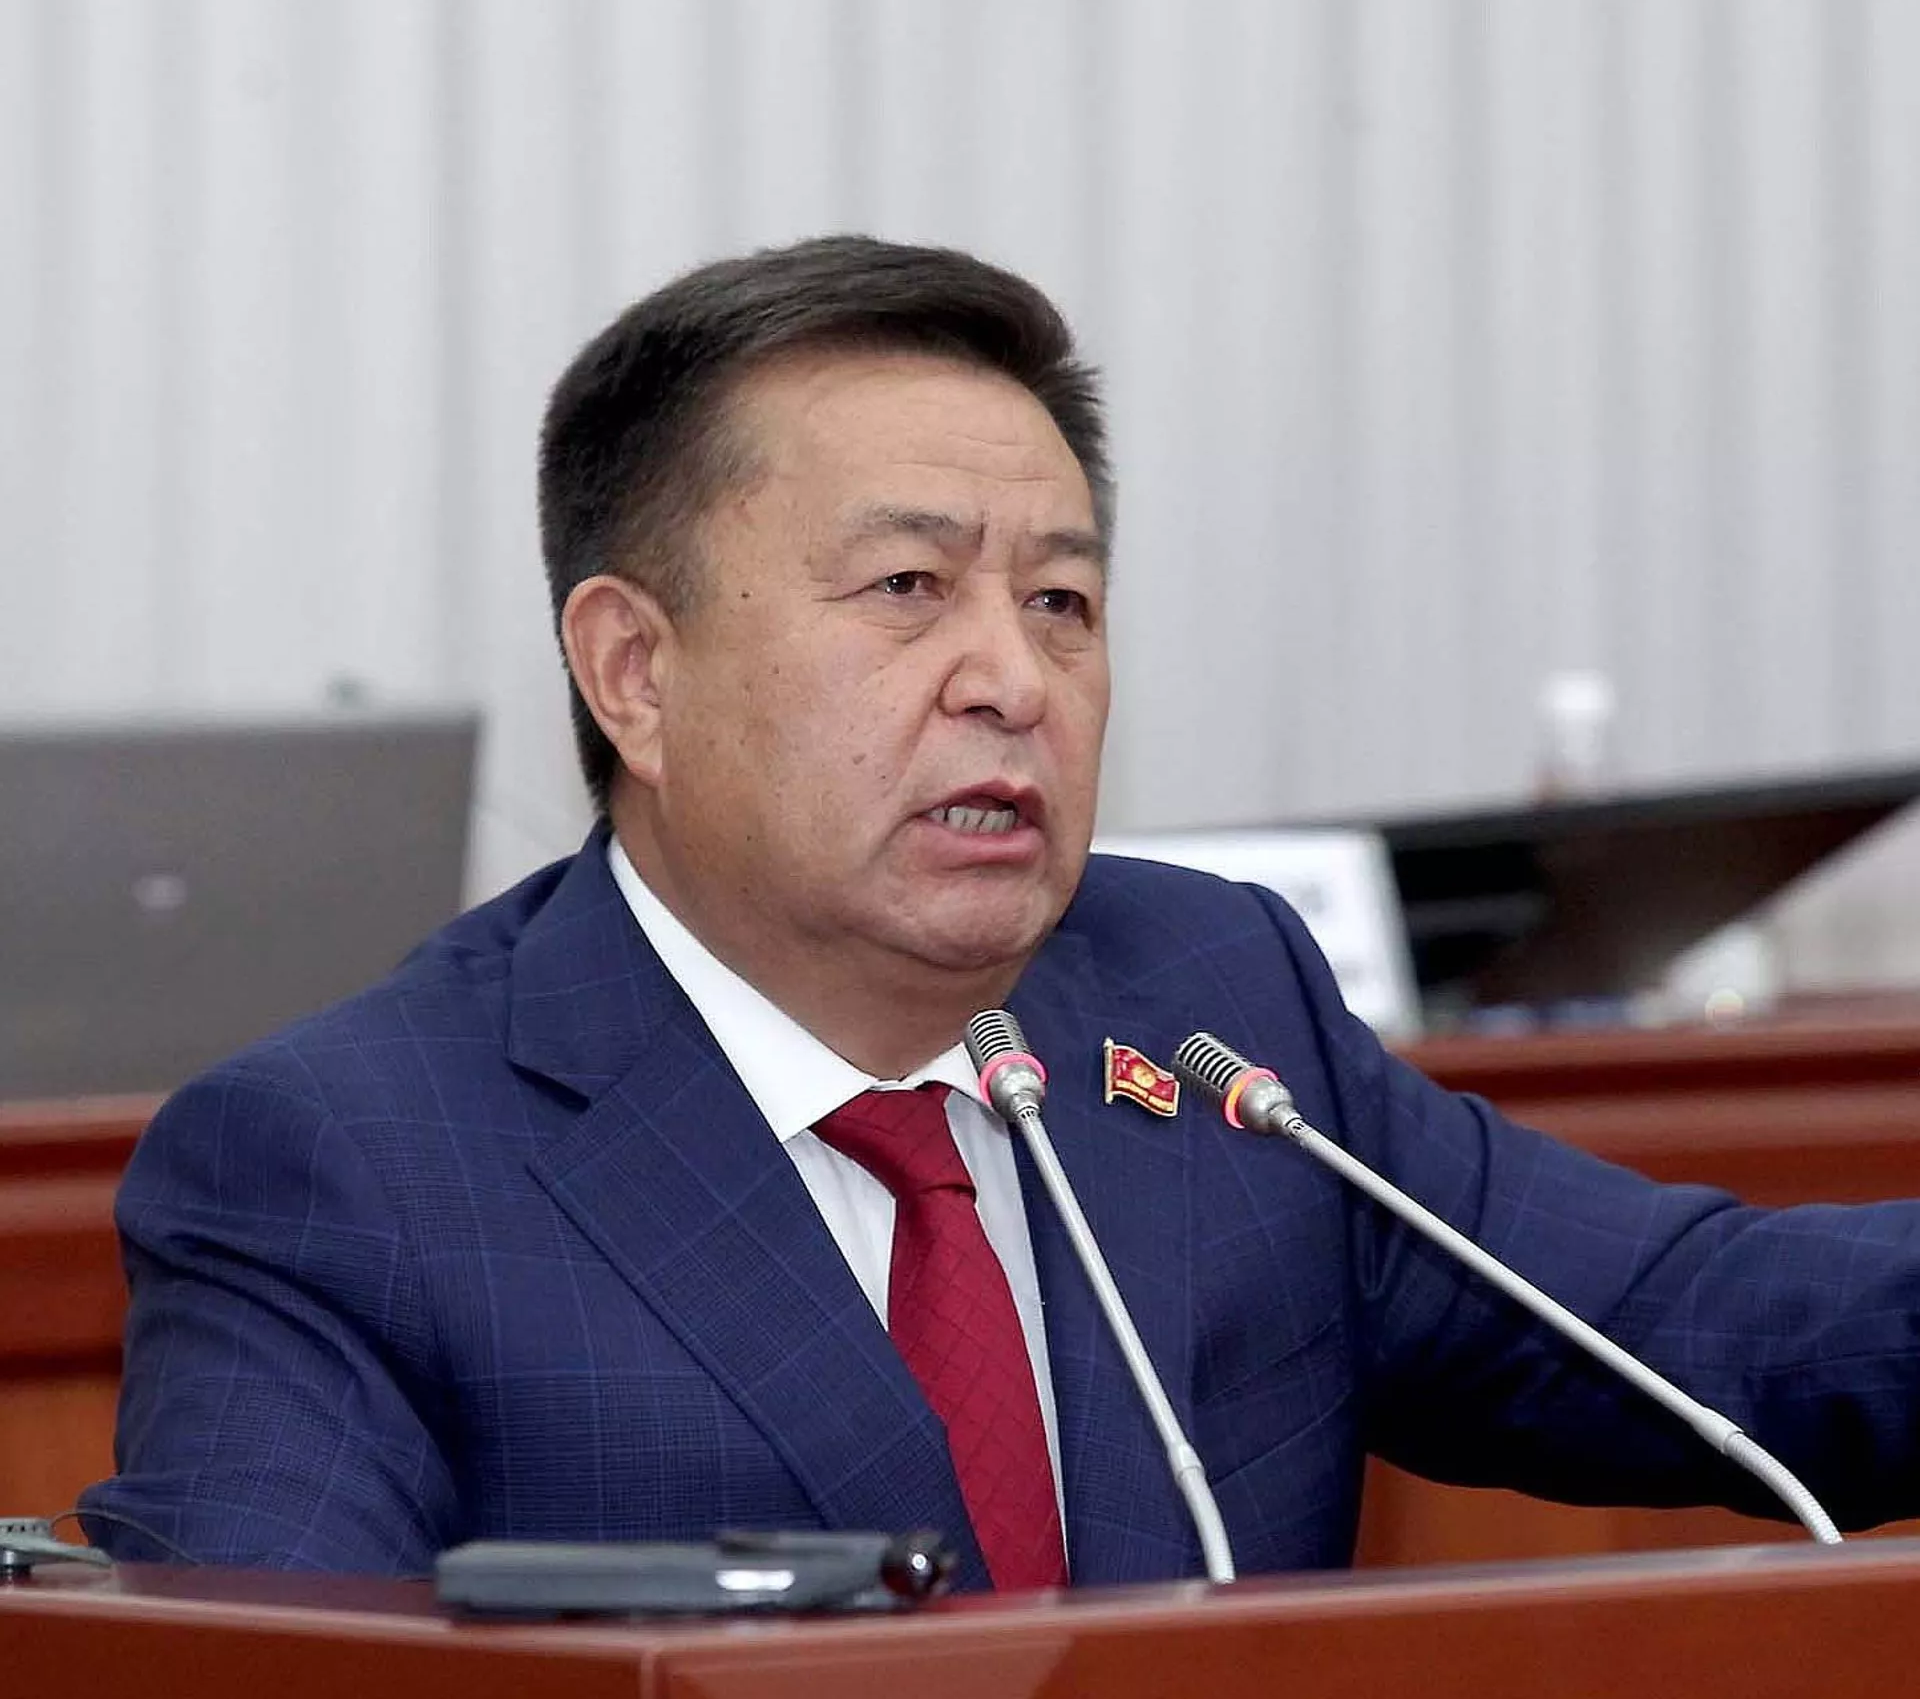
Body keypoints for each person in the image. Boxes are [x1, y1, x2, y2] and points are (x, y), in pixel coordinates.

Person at [83, 236, 1920, 1585]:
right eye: (908, 586)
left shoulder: (1208, 1010)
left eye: (1061, 602)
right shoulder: (347, 1170)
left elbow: (1717, 1328)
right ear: (634, 671)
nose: (1013, 679)